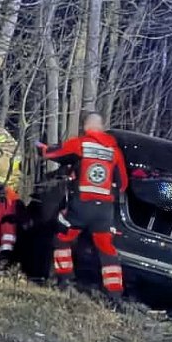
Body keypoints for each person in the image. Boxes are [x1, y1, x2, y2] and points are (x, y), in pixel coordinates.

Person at [38, 112, 129, 298]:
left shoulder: (81, 144)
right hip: (103, 212)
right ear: (102, 127)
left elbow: (53, 153)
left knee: (62, 237)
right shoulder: (115, 151)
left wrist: (40, 147)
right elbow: (123, 184)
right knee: (106, 249)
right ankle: (115, 294)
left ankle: (64, 281)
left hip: (81, 207)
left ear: (86, 127)